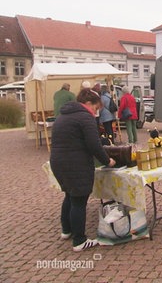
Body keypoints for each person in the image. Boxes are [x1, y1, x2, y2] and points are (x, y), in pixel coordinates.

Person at [50, 88, 116, 252]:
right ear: (88, 104)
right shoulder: (85, 117)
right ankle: (79, 240)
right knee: (79, 200)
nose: (95, 112)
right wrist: (107, 160)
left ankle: (67, 231)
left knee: (69, 195)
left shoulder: (63, 115)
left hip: (58, 161)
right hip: (75, 163)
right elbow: (94, 144)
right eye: (95, 108)